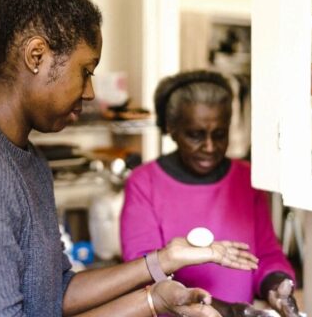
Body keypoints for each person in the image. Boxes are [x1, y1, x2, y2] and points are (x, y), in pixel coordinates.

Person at [0, 0, 260, 317]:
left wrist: (160, 273)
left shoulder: (27, 157)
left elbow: (56, 293)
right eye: (85, 71)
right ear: (36, 56)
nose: (89, 92)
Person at [120, 70, 301, 317]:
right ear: (172, 130)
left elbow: (266, 255)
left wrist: (276, 286)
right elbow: (142, 273)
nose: (209, 147)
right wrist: (227, 310)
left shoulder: (247, 178)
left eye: (219, 134)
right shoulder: (145, 183)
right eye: (195, 135)